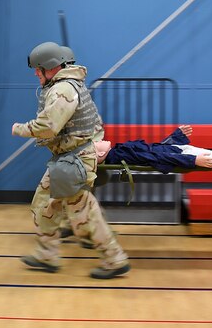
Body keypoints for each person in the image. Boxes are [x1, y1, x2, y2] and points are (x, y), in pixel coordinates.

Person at [12, 41, 130, 279]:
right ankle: (47, 254)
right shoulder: (71, 84)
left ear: (51, 67)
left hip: (74, 160)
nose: (36, 73)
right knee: (44, 204)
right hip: (69, 158)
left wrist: (20, 129)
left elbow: (48, 127)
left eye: (38, 68)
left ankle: (114, 258)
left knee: (84, 212)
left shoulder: (63, 90)